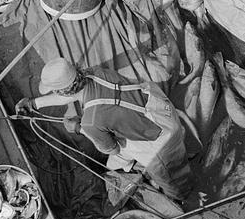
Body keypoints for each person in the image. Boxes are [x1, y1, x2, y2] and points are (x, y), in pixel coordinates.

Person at [15, 57, 194, 205]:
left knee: (173, 179)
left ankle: (183, 197)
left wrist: (77, 128)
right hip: (158, 108)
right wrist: (34, 103)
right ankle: (144, 167)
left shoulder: (91, 122)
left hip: (162, 142)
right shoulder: (95, 73)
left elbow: (113, 149)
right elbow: (70, 95)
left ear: (62, 90)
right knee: (119, 159)